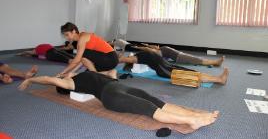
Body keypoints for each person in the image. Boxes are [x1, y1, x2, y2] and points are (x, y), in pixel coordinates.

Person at [18, 71, 219, 134]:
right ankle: (191, 122)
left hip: (118, 87)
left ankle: (195, 115)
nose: (63, 75)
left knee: (156, 101)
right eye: (62, 77)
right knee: (149, 109)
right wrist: (30, 80)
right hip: (111, 97)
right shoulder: (70, 82)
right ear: (65, 84)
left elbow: (103, 69)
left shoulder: (85, 72)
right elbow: (49, 80)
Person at [119, 51, 229, 85]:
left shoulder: (139, 55)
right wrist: (116, 57)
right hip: (164, 70)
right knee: (192, 76)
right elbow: (123, 59)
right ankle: (219, 79)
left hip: (167, 66)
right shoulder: (135, 58)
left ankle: (217, 78)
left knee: (192, 72)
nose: (128, 56)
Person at [111, 39, 224, 66]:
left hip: (174, 53)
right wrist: (146, 48)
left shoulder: (156, 49)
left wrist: (148, 46)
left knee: (194, 58)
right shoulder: (130, 47)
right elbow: (152, 51)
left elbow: (154, 48)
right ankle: (215, 62)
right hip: (178, 56)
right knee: (196, 59)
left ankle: (214, 62)